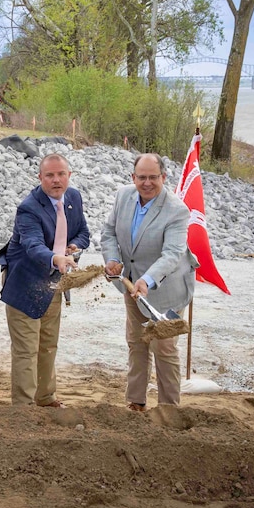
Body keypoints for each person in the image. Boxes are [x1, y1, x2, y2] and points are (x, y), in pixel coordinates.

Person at [101, 153, 198, 412]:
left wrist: (147, 280)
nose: (146, 183)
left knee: (163, 349)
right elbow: (109, 233)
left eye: (153, 177)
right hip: (131, 285)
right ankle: (136, 401)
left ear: (163, 178)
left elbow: (173, 255)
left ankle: (169, 407)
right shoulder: (123, 196)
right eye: (141, 177)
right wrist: (112, 259)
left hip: (165, 289)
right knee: (136, 341)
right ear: (133, 178)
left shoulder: (177, 210)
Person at [0, 153, 89, 407]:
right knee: (27, 349)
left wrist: (73, 246)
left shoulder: (73, 198)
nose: (56, 180)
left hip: (53, 285)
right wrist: (56, 259)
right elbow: (32, 245)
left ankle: (46, 398)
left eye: (61, 174)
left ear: (69, 176)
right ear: (40, 178)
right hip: (25, 283)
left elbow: (83, 232)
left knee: (48, 344)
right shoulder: (28, 208)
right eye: (50, 175)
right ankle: (24, 407)